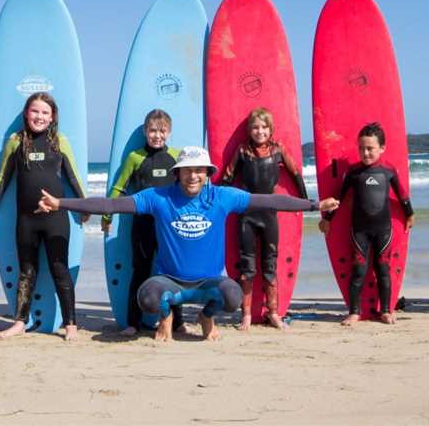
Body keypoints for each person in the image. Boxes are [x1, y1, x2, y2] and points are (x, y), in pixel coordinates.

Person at [39, 146, 338, 342]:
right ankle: (166, 317)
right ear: (177, 172)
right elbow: (109, 204)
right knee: (148, 296)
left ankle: (207, 317)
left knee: (233, 296)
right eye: (187, 169)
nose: (193, 175)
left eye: (200, 170)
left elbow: (269, 200)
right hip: (171, 282)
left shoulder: (221, 197)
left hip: (209, 282)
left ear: (208, 174)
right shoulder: (158, 197)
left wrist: (314, 204)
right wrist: (61, 203)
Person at [0, 92, 86, 341]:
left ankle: (71, 324)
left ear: (52, 117)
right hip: (26, 219)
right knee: (27, 271)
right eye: (35, 111)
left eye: (45, 112)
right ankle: (20, 322)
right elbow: (3, 176)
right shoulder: (16, 141)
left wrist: (84, 206)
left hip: (55, 218)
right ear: (26, 114)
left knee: (59, 269)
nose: (39, 117)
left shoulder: (59, 142)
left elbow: (73, 176)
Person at [220, 106, 307, 330]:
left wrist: (305, 202)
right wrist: (216, 205)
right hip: (246, 216)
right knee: (247, 268)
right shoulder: (242, 151)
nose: (260, 131)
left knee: (269, 265)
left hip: (269, 215)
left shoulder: (278, 150)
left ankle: (274, 314)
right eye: (255, 127)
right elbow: (227, 180)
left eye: (264, 127)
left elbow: (295, 173)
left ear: (271, 130)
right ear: (250, 130)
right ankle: (247, 315)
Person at [319, 122, 414, 326]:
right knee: (359, 271)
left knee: (383, 270)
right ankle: (354, 312)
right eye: (361, 148)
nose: (365, 152)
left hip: (384, 231)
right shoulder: (353, 173)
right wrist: (327, 220)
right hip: (359, 231)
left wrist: (410, 215)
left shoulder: (389, 171)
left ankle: (387, 311)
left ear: (382, 148)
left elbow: (403, 196)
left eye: (370, 148)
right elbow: (339, 198)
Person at [103, 109, 185, 336]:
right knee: (140, 271)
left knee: (173, 273)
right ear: (144, 131)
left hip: (169, 227)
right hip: (142, 226)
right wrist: (107, 215)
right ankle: (133, 322)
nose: (157, 135)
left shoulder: (176, 156)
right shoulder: (135, 157)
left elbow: (186, 189)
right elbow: (119, 188)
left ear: (169, 132)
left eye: (162, 131)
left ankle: (177, 321)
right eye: (152, 130)